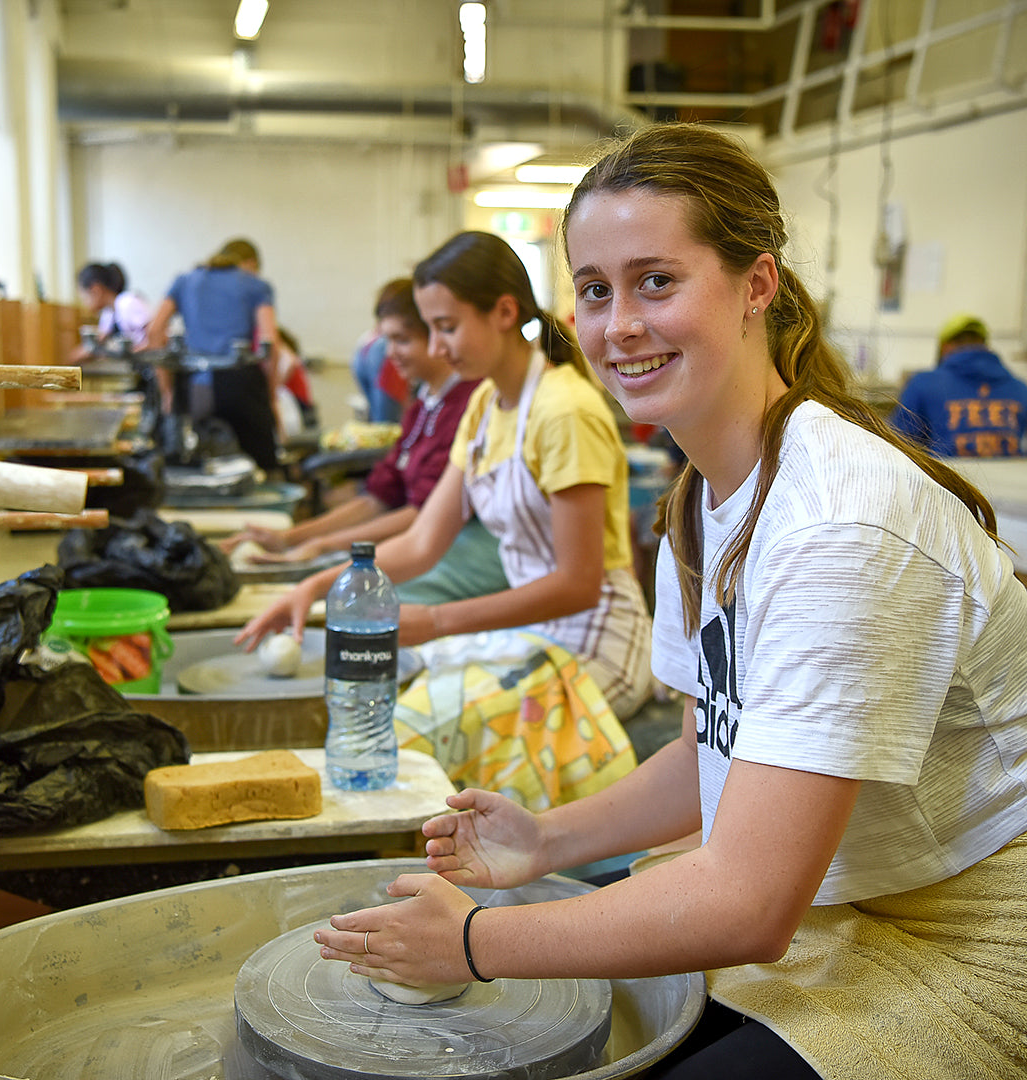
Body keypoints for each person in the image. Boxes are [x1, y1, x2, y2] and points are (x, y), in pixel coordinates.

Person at [310, 124, 1027, 1079]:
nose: (618, 326)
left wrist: (476, 939)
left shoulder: (836, 523)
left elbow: (749, 904)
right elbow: (711, 745)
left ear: (757, 286)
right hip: (847, 900)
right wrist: (544, 838)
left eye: (658, 281)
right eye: (596, 290)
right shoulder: (701, 497)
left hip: (971, 936)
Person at [238, 229, 653, 725]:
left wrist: (437, 622)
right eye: (430, 329)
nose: (436, 346)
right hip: (538, 632)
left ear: (503, 313)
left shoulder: (563, 410)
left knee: (426, 721)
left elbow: (577, 585)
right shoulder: (483, 407)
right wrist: (320, 585)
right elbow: (422, 543)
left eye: (446, 327)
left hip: (598, 641)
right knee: (395, 686)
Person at [221, 278, 508, 604]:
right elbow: (379, 497)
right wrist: (290, 539)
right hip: (425, 540)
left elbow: (423, 517)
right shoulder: (422, 407)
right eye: (387, 340)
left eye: (402, 340)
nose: (391, 354)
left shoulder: (471, 404)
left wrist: (322, 547)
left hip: (463, 546)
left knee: (357, 600)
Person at [146, 237, 279, 471]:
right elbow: (270, 342)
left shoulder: (184, 282)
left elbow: (155, 331)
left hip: (196, 386)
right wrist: (270, 396)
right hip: (241, 386)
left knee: (196, 465)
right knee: (261, 467)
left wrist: (167, 391)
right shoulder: (255, 285)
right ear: (250, 263)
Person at [889, 312, 1027, 457]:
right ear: (984, 345)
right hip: (1011, 478)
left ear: (945, 347)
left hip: (948, 478)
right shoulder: (1020, 388)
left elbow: (899, 443)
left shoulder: (922, 384)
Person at [72, 262, 151, 356]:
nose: (84, 303)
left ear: (96, 290)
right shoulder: (108, 313)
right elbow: (96, 344)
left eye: (84, 297)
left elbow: (155, 334)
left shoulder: (127, 303)